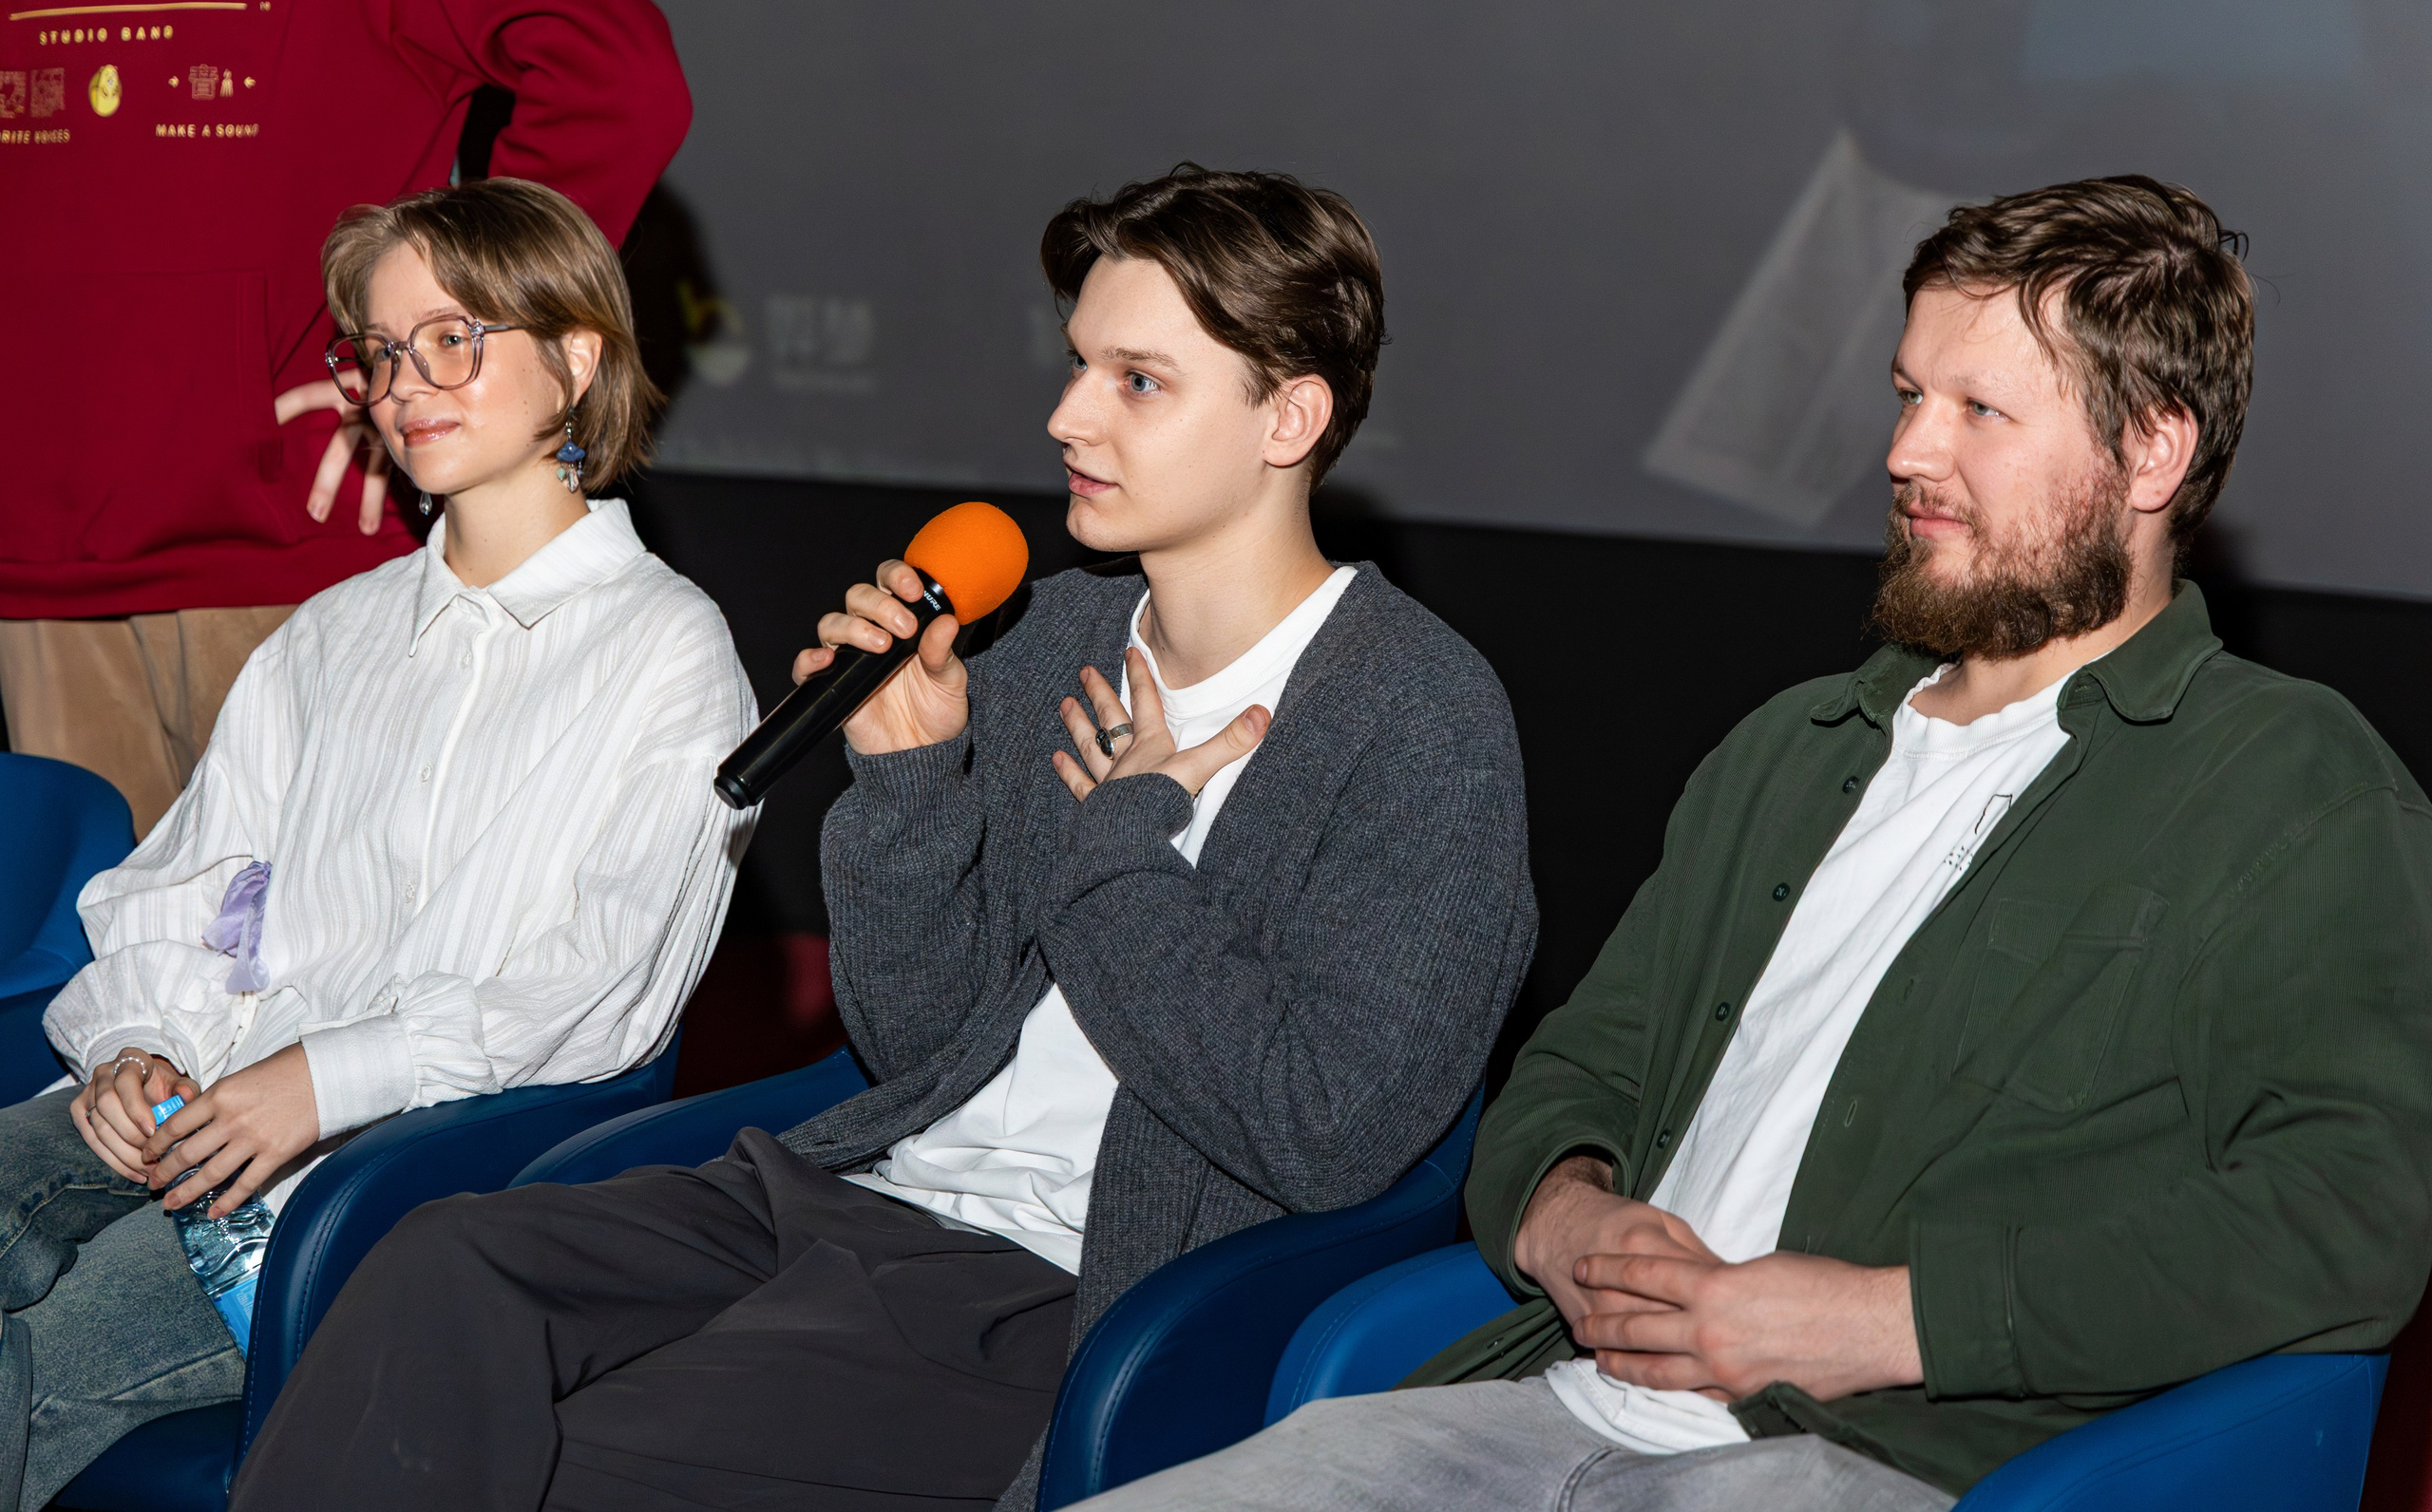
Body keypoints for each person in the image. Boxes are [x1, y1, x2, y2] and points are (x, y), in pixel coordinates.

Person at [1062, 177, 2432, 1512]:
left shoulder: (2289, 783)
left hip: (1881, 1460)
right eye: (1906, 394)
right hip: (1541, 1406)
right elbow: (1573, 1072)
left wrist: (1879, 1322)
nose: (1907, 452)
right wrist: (1569, 1216)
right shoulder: (1796, 747)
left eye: (1979, 410)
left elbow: (2353, 1211)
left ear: (2151, 453)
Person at [228, 164, 1539, 1512]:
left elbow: (1324, 1132)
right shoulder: (1052, 638)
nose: (1069, 414)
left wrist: (1121, 852)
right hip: (862, 1191)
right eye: (1078, 364)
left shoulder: (1415, 717)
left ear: (1290, 416)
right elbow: (919, 1040)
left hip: (1062, 1284)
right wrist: (911, 781)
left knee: (578, 1450)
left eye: (1138, 381)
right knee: (440, 1266)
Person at [0, 178, 756, 1511]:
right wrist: (133, 1044)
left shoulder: (666, 651)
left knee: (39, 1356)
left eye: (453, 339)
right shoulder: (333, 631)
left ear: (577, 358)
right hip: (191, 1106)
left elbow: (605, 991)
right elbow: (183, 891)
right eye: (383, 350)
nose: (406, 384)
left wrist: (329, 1077)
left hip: (394, 1187)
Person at [0, 0, 689, 838]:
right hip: (36, 563)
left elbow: (619, 78)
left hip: (286, 551)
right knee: (84, 934)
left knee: (329, 927)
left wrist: (433, 347)